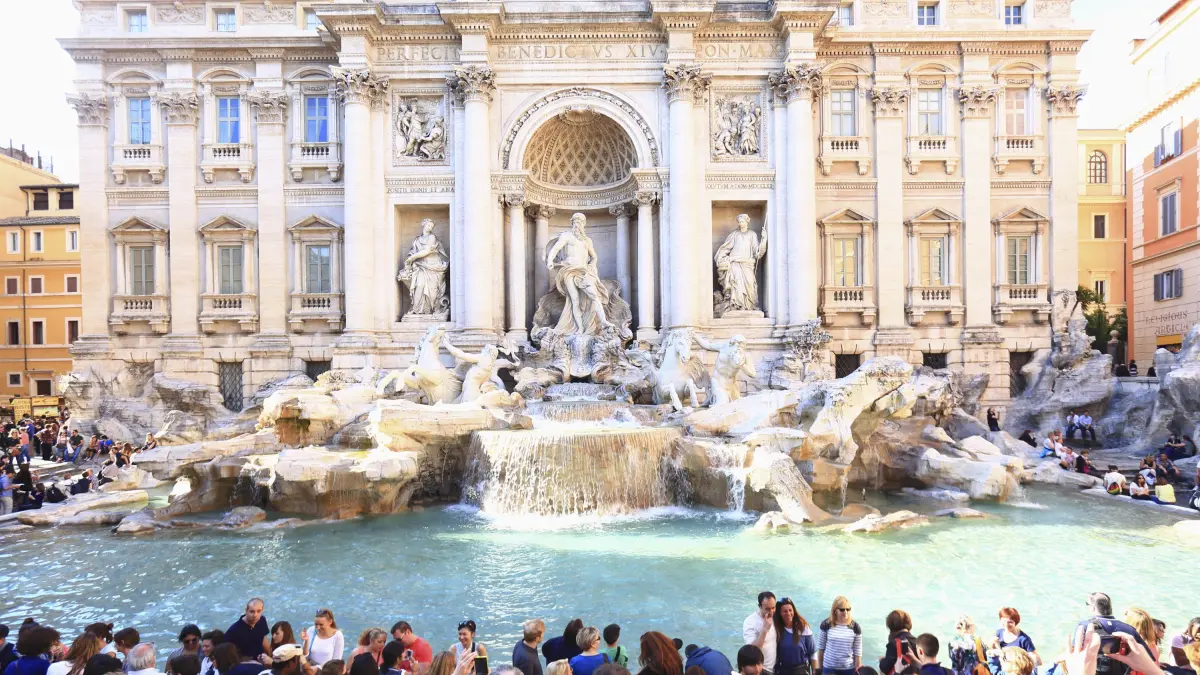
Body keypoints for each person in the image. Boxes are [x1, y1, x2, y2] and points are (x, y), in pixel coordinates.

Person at [985, 608, 1038, 675]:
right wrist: (992, 645)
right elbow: (993, 652)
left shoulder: (1024, 639)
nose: (1006, 624)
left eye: (1010, 622)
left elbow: (1036, 660)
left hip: (1017, 670)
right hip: (1004, 667)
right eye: (1004, 621)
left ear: (1016, 623)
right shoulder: (999, 633)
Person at [818, 596, 862, 675]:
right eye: (842, 609)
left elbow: (857, 653)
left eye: (848, 609)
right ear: (835, 610)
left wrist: (857, 671)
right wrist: (820, 669)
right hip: (829, 668)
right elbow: (821, 649)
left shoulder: (855, 627)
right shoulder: (826, 624)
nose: (845, 612)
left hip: (848, 669)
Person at [774, 598, 816, 675]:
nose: (788, 613)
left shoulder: (803, 628)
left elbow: (812, 653)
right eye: (785, 611)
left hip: (801, 670)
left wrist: (815, 671)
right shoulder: (776, 629)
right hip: (783, 670)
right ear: (779, 613)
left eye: (790, 610)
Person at [225, 598, 271, 664]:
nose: (255, 615)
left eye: (259, 611)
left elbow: (263, 639)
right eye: (252, 611)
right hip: (245, 663)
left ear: (262, 610)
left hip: (261, 658)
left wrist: (270, 655)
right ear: (246, 610)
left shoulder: (262, 620)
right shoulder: (234, 630)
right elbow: (227, 653)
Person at [743, 592, 778, 675]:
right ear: (760, 606)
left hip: (776, 668)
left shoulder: (776, 617)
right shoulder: (750, 622)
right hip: (760, 669)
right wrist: (764, 631)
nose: (771, 612)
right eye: (767, 609)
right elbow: (752, 651)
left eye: (773, 608)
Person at [880, 610, 918, 675]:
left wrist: (882, 661)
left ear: (890, 626)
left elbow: (885, 668)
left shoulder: (894, 644)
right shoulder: (918, 642)